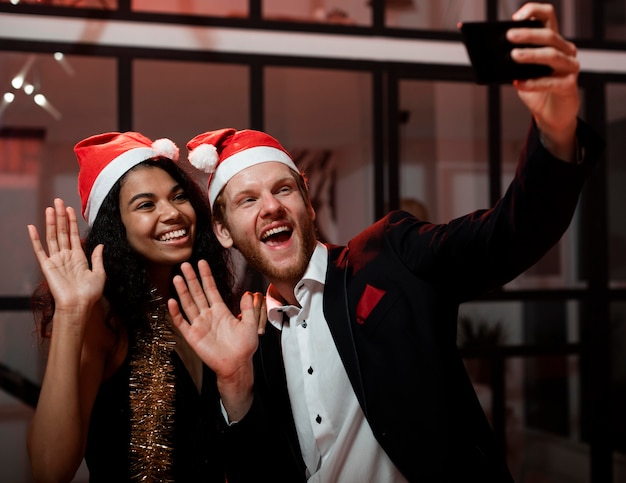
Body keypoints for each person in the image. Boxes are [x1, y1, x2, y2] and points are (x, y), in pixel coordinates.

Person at [168, 3, 605, 482]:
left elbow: (508, 236)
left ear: (308, 204)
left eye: (283, 189)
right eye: (247, 200)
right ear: (225, 230)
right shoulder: (247, 340)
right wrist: (234, 380)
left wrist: (557, 130)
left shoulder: (389, 257)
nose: (270, 207)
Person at [25, 131, 264, 482]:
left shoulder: (207, 310)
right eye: (146, 204)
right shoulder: (102, 317)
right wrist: (72, 313)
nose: (172, 213)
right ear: (117, 228)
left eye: (179, 196)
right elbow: (49, 470)